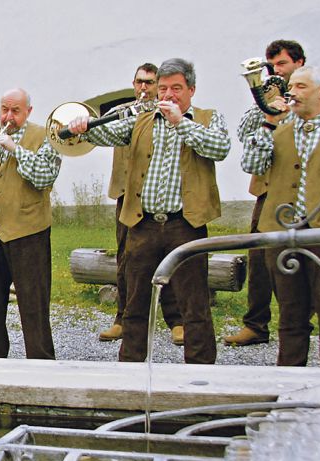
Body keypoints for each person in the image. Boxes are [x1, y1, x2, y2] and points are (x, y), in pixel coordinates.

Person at [68, 58, 230, 364]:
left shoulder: (208, 118)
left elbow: (220, 148)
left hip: (186, 224)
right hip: (143, 225)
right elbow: (109, 133)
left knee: (194, 303)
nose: (168, 94)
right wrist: (84, 128)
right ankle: (130, 368)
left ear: (191, 90)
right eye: (163, 88)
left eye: (176, 88)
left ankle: (201, 371)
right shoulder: (142, 119)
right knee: (135, 302)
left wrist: (181, 122)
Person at [225, 39, 320, 347]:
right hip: (272, 186)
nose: (275, 71)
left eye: (281, 64)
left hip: (317, 188)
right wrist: (267, 106)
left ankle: (315, 324)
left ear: (299, 62)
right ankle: (256, 324)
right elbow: (244, 133)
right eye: (271, 65)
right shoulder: (269, 93)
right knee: (261, 257)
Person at [96, 63, 185, 346]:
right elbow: (98, 132)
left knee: (169, 258)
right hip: (127, 195)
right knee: (126, 259)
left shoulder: (163, 113)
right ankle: (123, 318)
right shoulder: (122, 112)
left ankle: (176, 320)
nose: (144, 87)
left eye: (149, 82)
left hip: (155, 198)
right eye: (139, 82)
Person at [0, 88, 61, 359]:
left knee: (33, 303)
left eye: (15, 111)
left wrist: (15, 150)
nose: (8, 116)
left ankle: (41, 361)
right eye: (4, 110)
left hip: (28, 232)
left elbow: (45, 177)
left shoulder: (45, 137)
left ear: (28, 112)